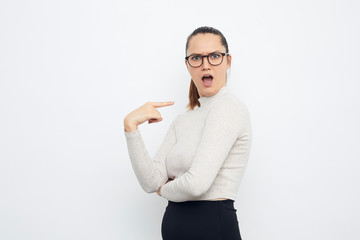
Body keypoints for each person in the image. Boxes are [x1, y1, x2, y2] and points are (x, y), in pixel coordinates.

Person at [123, 26, 252, 240]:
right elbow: (151, 181)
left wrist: (163, 191)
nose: (205, 65)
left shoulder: (229, 107)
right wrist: (131, 127)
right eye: (196, 58)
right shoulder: (183, 120)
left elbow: (197, 184)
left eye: (214, 56)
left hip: (214, 230)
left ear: (228, 61)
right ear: (187, 65)